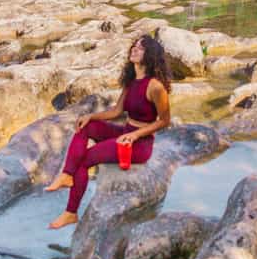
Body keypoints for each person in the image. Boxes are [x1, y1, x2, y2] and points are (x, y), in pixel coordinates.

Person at [46, 33, 172, 229]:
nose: (134, 49)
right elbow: (116, 111)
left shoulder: (155, 87)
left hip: (139, 145)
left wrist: (135, 135)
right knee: (85, 127)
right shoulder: (131, 82)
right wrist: (91, 116)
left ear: (150, 55)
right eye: (134, 46)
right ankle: (67, 174)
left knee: (86, 159)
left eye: (141, 47)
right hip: (126, 132)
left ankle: (71, 212)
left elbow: (165, 121)